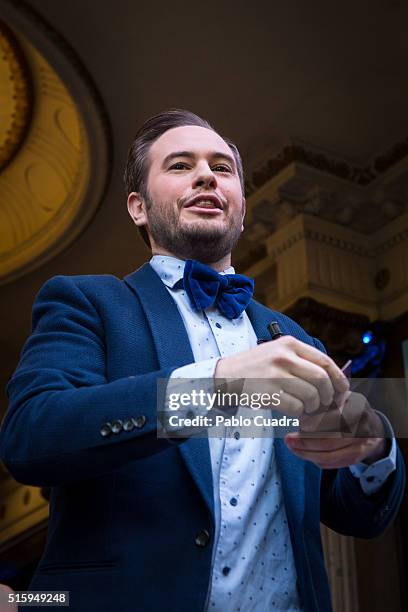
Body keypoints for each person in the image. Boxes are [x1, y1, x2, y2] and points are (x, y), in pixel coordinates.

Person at [0, 109, 405, 612]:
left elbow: (358, 516)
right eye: (180, 165)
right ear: (138, 207)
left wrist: (373, 448)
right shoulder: (87, 303)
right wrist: (218, 386)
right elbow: (33, 436)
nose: (207, 175)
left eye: (223, 167)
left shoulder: (295, 339)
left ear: (240, 207)